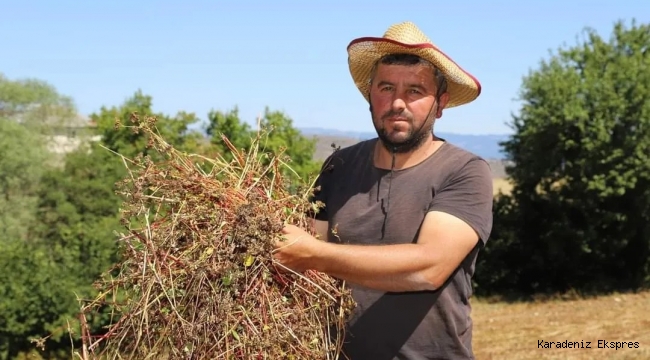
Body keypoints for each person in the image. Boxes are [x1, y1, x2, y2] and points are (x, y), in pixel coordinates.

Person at [273, 21, 493, 360]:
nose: (398, 103)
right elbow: (301, 260)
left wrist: (311, 253)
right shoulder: (339, 166)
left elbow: (427, 269)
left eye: (415, 91)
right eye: (386, 88)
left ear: (440, 103)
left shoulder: (464, 171)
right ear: (370, 96)